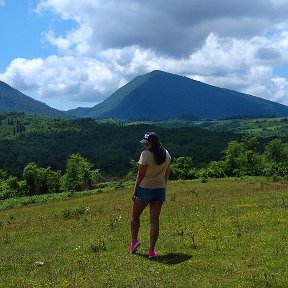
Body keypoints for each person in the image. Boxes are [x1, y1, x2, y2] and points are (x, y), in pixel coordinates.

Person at [130, 132, 171, 259]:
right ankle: (152, 251)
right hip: (159, 190)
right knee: (154, 221)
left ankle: (134, 242)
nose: (145, 145)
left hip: (145, 189)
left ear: (153, 143)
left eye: (147, 143)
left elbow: (140, 175)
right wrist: (163, 185)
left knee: (135, 216)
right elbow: (167, 172)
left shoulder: (145, 155)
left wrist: (135, 190)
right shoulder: (166, 154)